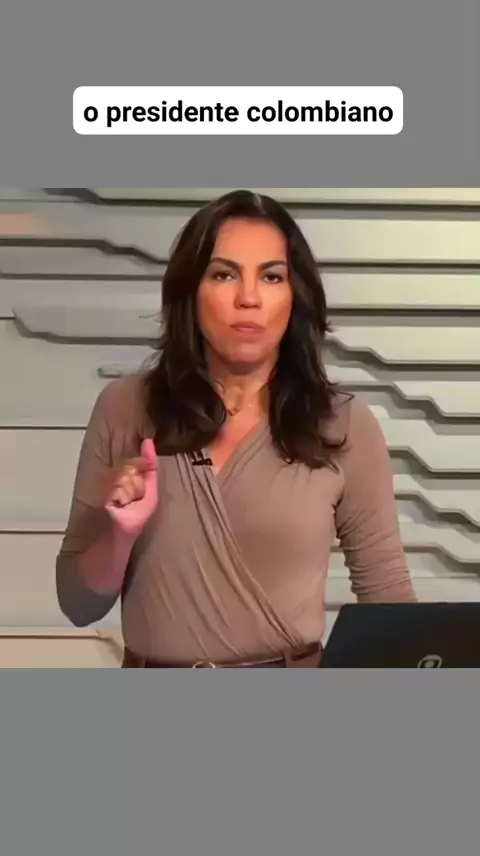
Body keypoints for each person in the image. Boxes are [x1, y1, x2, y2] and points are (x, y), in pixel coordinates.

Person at [56, 189, 416, 668]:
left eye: (271, 276)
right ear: (191, 291)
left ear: (295, 296)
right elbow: (77, 604)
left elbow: (388, 599)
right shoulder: (126, 407)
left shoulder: (343, 425)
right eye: (224, 274)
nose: (248, 298)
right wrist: (120, 534)